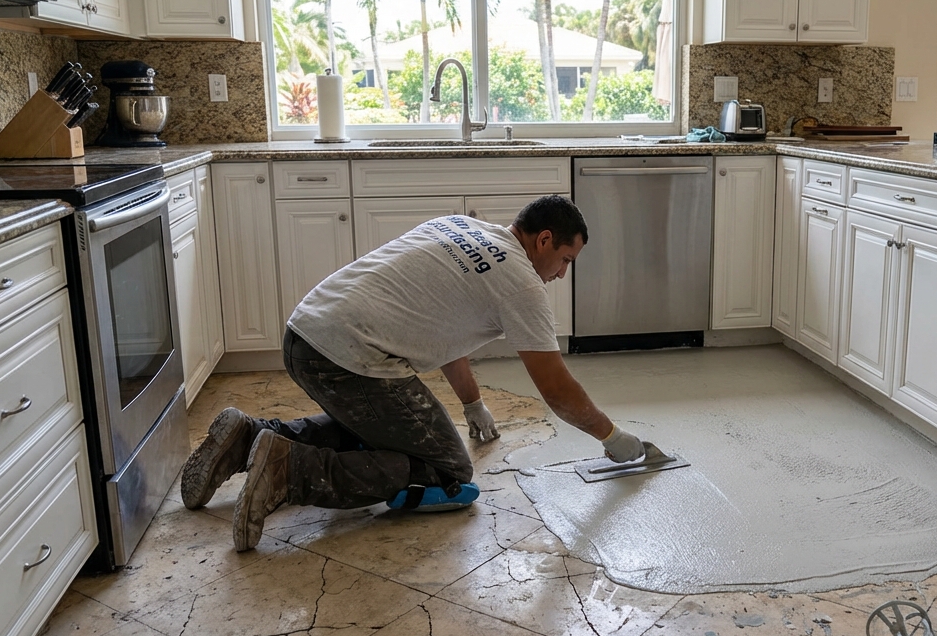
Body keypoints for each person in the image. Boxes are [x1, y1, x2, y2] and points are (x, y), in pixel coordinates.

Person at [178, 195, 651, 551]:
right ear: (544, 239)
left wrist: (471, 403)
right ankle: (288, 473)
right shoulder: (521, 283)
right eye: (566, 260)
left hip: (306, 333)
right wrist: (611, 436)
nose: (562, 275)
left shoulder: (460, 225)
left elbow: (442, 333)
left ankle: (248, 437)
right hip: (349, 357)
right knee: (448, 471)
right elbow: (556, 388)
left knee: (385, 426)